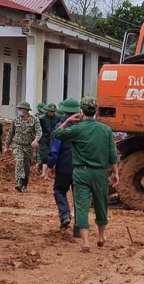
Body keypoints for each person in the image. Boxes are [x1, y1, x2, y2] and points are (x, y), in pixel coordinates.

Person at [52, 96, 120, 253]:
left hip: (81, 172)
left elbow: (57, 134)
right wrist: (116, 173)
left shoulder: (77, 129)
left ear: (81, 112)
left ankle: (86, 241)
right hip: (100, 173)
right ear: (95, 111)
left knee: (81, 205)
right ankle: (101, 236)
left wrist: (68, 120)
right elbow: (112, 154)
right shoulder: (106, 130)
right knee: (101, 204)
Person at [42, 98, 81, 238]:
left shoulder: (61, 126)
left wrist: (50, 165)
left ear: (63, 111)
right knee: (79, 197)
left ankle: (65, 215)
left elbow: (55, 148)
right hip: (81, 167)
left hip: (64, 166)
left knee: (59, 190)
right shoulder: (84, 127)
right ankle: (79, 228)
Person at [4, 101, 42, 192]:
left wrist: (36, 140)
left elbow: (39, 132)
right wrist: (6, 146)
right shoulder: (15, 121)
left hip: (28, 147)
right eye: (18, 109)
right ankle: (19, 182)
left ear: (26, 110)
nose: (19, 110)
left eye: (20, 109)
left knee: (26, 167)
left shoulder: (34, 120)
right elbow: (10, 134)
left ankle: (24, 185)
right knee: (19, 160)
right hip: (17, 145)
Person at [35, 103, 58, 174]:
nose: (52, 113)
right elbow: (38, 130)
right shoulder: (42, 119)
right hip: (44, 139)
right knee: (45, 155)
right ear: (47, 111)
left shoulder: (57, 119)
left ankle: (50, 172)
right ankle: (44, 173)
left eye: (53, 111)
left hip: (53, 139)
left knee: (53, 155)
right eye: (51, 111)